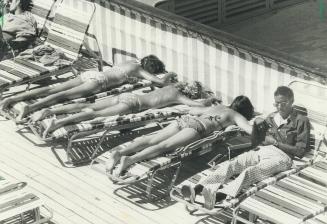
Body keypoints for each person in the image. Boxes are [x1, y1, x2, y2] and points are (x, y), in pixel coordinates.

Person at [180, 86, 310, 209]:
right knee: (232, 164)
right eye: (277, 103)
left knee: (251, 171)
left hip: (283, 157)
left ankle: (219, 197)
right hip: (263, 150)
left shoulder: (301, 120)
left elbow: (300, 151)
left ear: (292, 101)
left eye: (284, 103)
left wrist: (276, 143)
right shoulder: (271, 117)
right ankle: (196, 189)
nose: (280, 107)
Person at [105, 95, 255, 179]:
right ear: (244, 111)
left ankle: (119, 153)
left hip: (185, 120)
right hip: (198, 127)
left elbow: (194, 110)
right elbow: (249, 129)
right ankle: (129, 160)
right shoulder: (235, 115)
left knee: (151, 139)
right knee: (164, 146)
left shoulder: (217, 107)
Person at [0, 55, 176, 120]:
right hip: (99, 82)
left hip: (92, 74)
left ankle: (14, 98)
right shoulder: (139, 70)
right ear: (151, 68)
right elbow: (159, 82)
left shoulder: (130, 61)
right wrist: (169, 75)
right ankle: (29, 108)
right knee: (61, 96)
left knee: (53, 89)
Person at [37, 81, 218, 138]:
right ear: (190, 93)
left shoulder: (169, 87)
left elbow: (163, 80)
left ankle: (52, 111)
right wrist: (211, 99)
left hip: (128, 97)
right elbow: (199, 105)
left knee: (88, 105)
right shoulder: (179, 96)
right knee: (95, 115)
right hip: (133, 105)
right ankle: (58, 122)